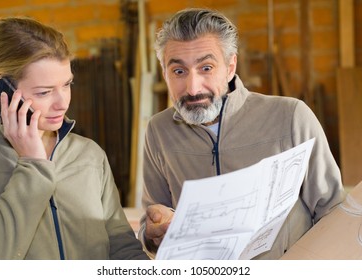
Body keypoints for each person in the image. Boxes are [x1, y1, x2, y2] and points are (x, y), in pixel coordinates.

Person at [139, 8, 345, 259]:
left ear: (230, 66)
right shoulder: (159, 131)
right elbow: (151, 223)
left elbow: (334, 214)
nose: (193, 89)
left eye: (206, 67)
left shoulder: (290, 117)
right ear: (165, 73)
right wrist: (153, 234)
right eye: (179, 71)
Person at [0, 17, 149, 260]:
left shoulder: (89, 155)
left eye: (67, 84)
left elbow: (121, 245)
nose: (62, 103)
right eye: (44, 92)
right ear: (1, 86)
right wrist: (33, 166)